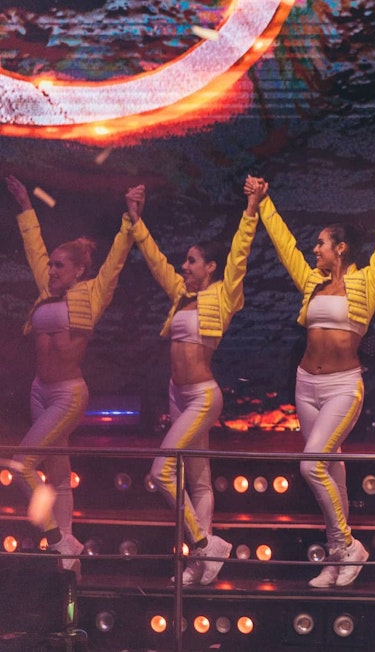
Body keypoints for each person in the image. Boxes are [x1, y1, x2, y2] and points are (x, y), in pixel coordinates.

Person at [254, 176, 375, 587]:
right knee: (330, 467)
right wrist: (264, 203)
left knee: (311, 462)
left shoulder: (367, 282)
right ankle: (338, 559)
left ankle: (348, 545)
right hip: (306, 385)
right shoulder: (314, 284)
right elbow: (285, 249)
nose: (313, 250)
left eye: (320, 244)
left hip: (342, 387)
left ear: (341, 249)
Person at [126, 180, 265, 585]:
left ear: (210, 268)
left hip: (204, 396)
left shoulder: (224, 295)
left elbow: (239, 254)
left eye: (191, 262)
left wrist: (251, 208)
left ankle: (204, 545)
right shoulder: (180, 297)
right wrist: (136, 223)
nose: (183, 267)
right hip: (178, 394)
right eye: (184, 262)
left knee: (162, 472)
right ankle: (200, 563)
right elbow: (155, 262)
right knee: (198, 481)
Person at [6, 174, 136, 578]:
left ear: (79, 270)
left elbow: (116, 258)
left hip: (67, 394)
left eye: (59, 266)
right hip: (39, 392)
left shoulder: (92, 293)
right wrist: (26, 207)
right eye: (51, 266)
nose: (51, 270)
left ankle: (59, 541)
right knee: (59, 479)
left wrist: (131, 220)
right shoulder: (46, 293)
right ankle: (70, 566)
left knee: (22, 465)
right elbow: (34, 250)